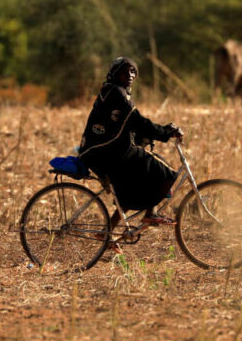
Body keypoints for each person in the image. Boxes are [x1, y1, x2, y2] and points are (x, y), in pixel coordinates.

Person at [78, 57, 183, 236]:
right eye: (125, 71)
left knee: (132, 185)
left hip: (99, 151)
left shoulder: (112, 91)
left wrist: (144, 137)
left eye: (133, 71)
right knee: (164, 170)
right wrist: (165, 132)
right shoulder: (117, 94)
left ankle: (107, 233)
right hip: (105, 152)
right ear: (114, 73)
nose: (130, 75)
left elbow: (125, 126)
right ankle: (151, 213)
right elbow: (138, 122)